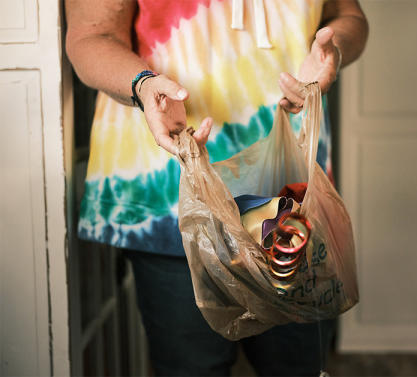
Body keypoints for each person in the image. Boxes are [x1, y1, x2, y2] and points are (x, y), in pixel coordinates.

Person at [65, 0, 368, 375]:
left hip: (295, 204)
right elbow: (90, 37)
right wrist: (143, 86)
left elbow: (349, 17)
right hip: (169, 201)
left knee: (299, 367)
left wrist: (332, 50)